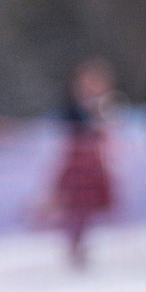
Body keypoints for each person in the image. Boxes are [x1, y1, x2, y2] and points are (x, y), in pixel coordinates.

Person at [46, 58, 117, 269]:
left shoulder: (102, 107)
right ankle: (75, 245)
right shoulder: (71, 109)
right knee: (75, 207)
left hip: (94, 165)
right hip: (77, 166)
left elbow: (106, 134)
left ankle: (80, 243)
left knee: (88, 208)